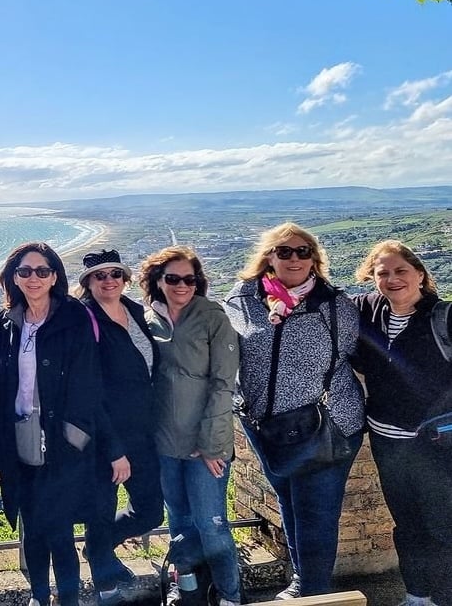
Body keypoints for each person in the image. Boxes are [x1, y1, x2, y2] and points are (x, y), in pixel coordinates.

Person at [223, 222, 364, 599]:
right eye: (284, 251)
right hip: (265, 427)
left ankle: (312, 591)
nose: (294, 258)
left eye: (303, 252)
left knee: (316, 514)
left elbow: (360, 353)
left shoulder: (334, 306)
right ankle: (302, 582)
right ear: (268, 257)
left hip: (325, 424)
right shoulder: (243, 299)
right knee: (288, 500)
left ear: (315, 260)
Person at [0, 242, 101, 606]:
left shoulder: (73, 317)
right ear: (13, 278)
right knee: (32, 528)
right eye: (24, 271)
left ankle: (68, 599)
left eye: (41, 271)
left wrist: (73, 437)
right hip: (20, 439)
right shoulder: (8, 322)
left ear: (54, 276)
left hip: (61, 442)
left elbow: (87, 382)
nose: (33, 278)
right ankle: (38, 595)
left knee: (60, 531)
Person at [352, 240, 452, 606]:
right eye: (383, 273)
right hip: (388, 443)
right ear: (372, 278)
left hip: (437, 444)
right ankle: (416, 596)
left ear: (420, 276)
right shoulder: (367, 311)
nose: (392, 279)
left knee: (443, 526)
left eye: (400, 271)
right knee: (407, 524)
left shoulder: (443, 317)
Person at [140, 246, 241, 606]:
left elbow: (222, 383)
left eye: (190, 279)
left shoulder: (213, 316)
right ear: (157, 281)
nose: (182, 285)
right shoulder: (146, 319)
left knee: (212, 527)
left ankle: (230, 595)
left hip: (205, 447)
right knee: (180, 525)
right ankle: (188, 593)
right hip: (165, 443)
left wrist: (213, 444)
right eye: (173, 278)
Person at [76, 249, 163, 606]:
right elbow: (88, 391)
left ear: (124, 279)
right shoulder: (85, 321)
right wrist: (114, 449)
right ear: (88, 284)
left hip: (143, 432)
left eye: (115, 274)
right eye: (99, 276)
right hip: (105, 436)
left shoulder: (135, 311)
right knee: (101, 506)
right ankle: (105, 583)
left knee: (151, 511)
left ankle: (98, 548)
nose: (108, 280)